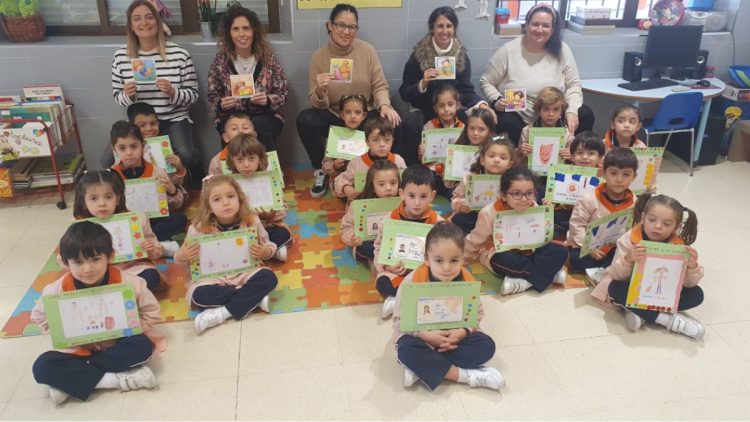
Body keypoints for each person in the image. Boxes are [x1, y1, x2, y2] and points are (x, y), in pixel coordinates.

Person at [32, 221, 162, 405]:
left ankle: (72, 380)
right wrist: (62, 331)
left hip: (118, 343)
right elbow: (40, 317)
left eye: (95, 259)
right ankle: (115, 380)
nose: (87, 268)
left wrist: (131, 324)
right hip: (78, 349)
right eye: (78, 262)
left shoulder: (130, 283)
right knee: (42, 367)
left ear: (110, 256)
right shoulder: (55, 291)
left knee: (142, 347)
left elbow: (152, 312)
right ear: (65, 262)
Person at [296, 3, 401, 198]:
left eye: (351, 27)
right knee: (305, 119)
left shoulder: (367, 51)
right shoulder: (318, 57)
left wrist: (385, 105)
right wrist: (320, 90)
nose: (346, 31)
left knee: (392, 121)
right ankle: (322, 169)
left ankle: (383, 169)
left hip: (365, 114)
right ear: (330, 25)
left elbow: (379, 86)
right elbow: (316, 102)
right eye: (340, 25)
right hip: (335, 113)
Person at [392, 222, 505, 391]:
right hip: (422, 338)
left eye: (454, 260)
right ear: (426, 259)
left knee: (486, 345)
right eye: (438, 260)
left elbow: (476, 314)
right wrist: (425, 335)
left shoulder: (467, 281)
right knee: (407, 350)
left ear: (463, 258)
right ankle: (465, 376)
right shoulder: (412, 282)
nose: (446, 268)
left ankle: (423, 368)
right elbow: (400, 322)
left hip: (455, 338)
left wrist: (462, 332)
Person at [174, 175, 278, 334]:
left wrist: (266, 251)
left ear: (240, 198)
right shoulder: (197, 228)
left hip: (246, 273)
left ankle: (223, 313)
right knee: (198, 296)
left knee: (268, 277)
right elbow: (183, 260)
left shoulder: (252, 220)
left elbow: (270, 245)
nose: (226, 203)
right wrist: (181, 256)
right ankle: (253, 298)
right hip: (212, 278)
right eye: (217, 199)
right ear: (208, 206)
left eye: (231, 196)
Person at [111, 0, 200, 186]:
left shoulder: (179, 54)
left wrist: (173, 91)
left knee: (187, 154)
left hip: (174, 119)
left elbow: (193, 95)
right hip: (139, 124)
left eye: (149, 17)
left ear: (158, 22)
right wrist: (129, 95)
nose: (144, 23)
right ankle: (131, 192)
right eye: (137, 19)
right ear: (131, 26)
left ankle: (187, 187)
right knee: (108, 157)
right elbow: (117, 97)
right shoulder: (121, 57)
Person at [593, 194, 705, 339]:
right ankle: (668, 320)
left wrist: (692, 267)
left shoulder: (679, 246)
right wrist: (629, 259)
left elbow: (688, 284)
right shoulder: (629, 239)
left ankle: (640, 313)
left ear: (676, 227)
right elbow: (615, 274)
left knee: (697, 294)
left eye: (667, 224)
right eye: (652, 220)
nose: (658, 226)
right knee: (614, 287)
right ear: (643, 217)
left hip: (661, 294)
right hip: (631, 288)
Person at [479, 3, 594, 145]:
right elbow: (486, 81)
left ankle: (572, 159)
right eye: (535, 24)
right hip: (520, 115)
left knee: (585, 114)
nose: (540, 29)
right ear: (526, 25)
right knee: (504, 121)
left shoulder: (562, 50)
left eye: (546, 25)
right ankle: (517, 160)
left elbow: (574, 84)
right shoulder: (509, 50)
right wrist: (496, 100)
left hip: (555, 112)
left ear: (553, 29)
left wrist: (572, 111)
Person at [399, 6, 495, 165]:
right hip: (425, 110)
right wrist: (423, 83)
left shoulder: (461, 57)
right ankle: (413, 169)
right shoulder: (418, 57)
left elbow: (465, 89)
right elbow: (404, 92)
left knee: (478, 120)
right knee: (410, 123)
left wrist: (482, 104)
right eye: (440, 26)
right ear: (432, 28)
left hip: (452, 110)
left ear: (455, 28)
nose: (445, 31)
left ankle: (468, 166)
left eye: (449, 26)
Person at [464, 167, 569, 295]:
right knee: (506, 260)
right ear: (503, 195)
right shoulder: (488, 213)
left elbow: (541, 235)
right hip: (499, 252)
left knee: (560, 251)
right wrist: (461, 260)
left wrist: (546, 216)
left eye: (529, 193)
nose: (524, 199)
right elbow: (475, 240)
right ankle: (550, 274)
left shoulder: (534, 206)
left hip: (529, 250)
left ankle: (525, 282)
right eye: (517, 194)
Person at [207, 6, 288, 152]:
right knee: (236, 130)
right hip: (231, 116)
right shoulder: (221, 61)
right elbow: (213, 96)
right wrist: (222, 104)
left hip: (265, 116)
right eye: (235, 29)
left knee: (257, 126)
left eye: (246, 28)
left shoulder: (268, 59)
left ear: (254, 31)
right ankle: (234, 172)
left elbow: (282, 93)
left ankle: (269, 171)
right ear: (228, 33)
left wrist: (267, 100)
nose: (241, 34)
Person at [72, 170, 168, 289]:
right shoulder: (78, 226)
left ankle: (118, 291)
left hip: (131, 268)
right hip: (95, 272)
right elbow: (65, 256)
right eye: (93, 198)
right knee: (74, 283)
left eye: (108, 197)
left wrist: (151, 249)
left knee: (151, 277)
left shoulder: (136, 219)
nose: (102, 203)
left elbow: (154, 245)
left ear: (117, 199)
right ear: (84, 202)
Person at [374, 165, 444, 318]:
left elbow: (447, 252)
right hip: (398, 272)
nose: (417, 203)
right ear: (401, 194)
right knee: (383, 282)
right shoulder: (389, 221)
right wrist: (387, 265)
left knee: (442, 280)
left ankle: (399, 300)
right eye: (411, 196)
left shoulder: (439, 224)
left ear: (432, 196)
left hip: (425, 272)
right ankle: (408, 298)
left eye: (423, 196)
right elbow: (379, 248)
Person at [109, 121, 188, 242]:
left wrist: (172, 190)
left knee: (180, 219)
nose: (129, 153)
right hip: (127, 223)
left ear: (143, 145)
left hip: (153, 221)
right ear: (114, 149)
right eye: (122, 148)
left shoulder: (157, 171)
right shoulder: (111, 176)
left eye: (134, 146)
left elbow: (177, 205)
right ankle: (149, 240)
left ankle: (141, 241)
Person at [567, 148, 638, 281]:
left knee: (627, 258)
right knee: (577, 260)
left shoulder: (635, 203)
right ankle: (608, 270)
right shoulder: (588, 198)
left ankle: (606, 270)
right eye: (613, 173)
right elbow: (577, 226)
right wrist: (590, 249)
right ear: (603, 173)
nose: (619, 179)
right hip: (590, 246)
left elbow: (634, 231)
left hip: (615, 247)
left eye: (626, 174)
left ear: (634, 177)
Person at [226, 134, 292, 261]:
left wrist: (271, 216)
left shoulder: (270, 180)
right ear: (232, 161)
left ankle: (265, 252)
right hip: (240, 231)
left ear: (260, 159)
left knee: (282, 233)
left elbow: (283, 208)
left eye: (251, 159)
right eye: (240, 160)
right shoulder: (229, 183)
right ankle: (270, 253)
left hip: (267, 228)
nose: (246, 164)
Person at [450, 135, 515, 234]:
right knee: (459, 219)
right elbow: (456, 198)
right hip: (475, 217)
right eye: (492, 156)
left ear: (509, 165)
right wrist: (461, 205)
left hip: (499, 219)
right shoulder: (470, 179)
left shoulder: (512, 182)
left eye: (502, 158)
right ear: (482, 160)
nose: (496, 160)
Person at [340, 160, 401, 264]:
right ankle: (382, 262)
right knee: (363, 248)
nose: (388, 188)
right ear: (372, 187)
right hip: (370, 243)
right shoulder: (358, 205)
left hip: (393, 242)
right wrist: (353, 237)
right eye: (381, 184)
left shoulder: (403, 202)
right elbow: (346, 227)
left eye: (393, 183)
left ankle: (385, 261)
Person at [333, 116, 407, 201]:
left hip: (393, 207)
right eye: (376, 140)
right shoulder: (357, 163)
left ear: (392, 140)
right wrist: (346, 188)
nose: (382, 144)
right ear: (367, 142)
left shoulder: (398, 161)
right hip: (364, 209)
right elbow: (339, 181)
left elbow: (407, 182)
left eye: (387, 140)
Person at [552, 131, 605, 238]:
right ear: (572, 156)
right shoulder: (561, 173)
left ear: (600, 157)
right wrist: (550, 202)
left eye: (591, 153)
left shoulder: (603, 177)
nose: (585, 157)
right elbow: (555, 200)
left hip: (590, 220)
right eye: (580, 153)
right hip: (565, 218)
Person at [418, 85, 465, 198]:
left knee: (459, 182)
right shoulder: (429, 127)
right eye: (441, 106)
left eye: (450, 104)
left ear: (457, 105)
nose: (446, 109)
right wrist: (421, 153)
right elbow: (424, 160)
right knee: (426, 177)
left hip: (452, 173)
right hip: (434, 171)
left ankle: (450, 194)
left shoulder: (463, 128)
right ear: (435, 109)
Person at [515, 87, 574, 163]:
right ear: (539, 110)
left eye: (556, 109)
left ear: (561, 111)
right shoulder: (527, 131)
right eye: (546, 109)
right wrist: (520, 151)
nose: (551, 114)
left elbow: (573, 162)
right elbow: (518, 160)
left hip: (557, 172)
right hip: (532, 172)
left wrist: (571, 156)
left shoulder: (567, 134)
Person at [321, 95, 368, 186]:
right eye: (348, 112)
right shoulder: (335, 135)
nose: (352, 116)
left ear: (364, 115)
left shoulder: (368, 136)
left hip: (362, 178)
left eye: (357, 112)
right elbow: (325, 165)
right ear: (342, 115)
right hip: (340, 178)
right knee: (343, 186)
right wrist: (334, 165)